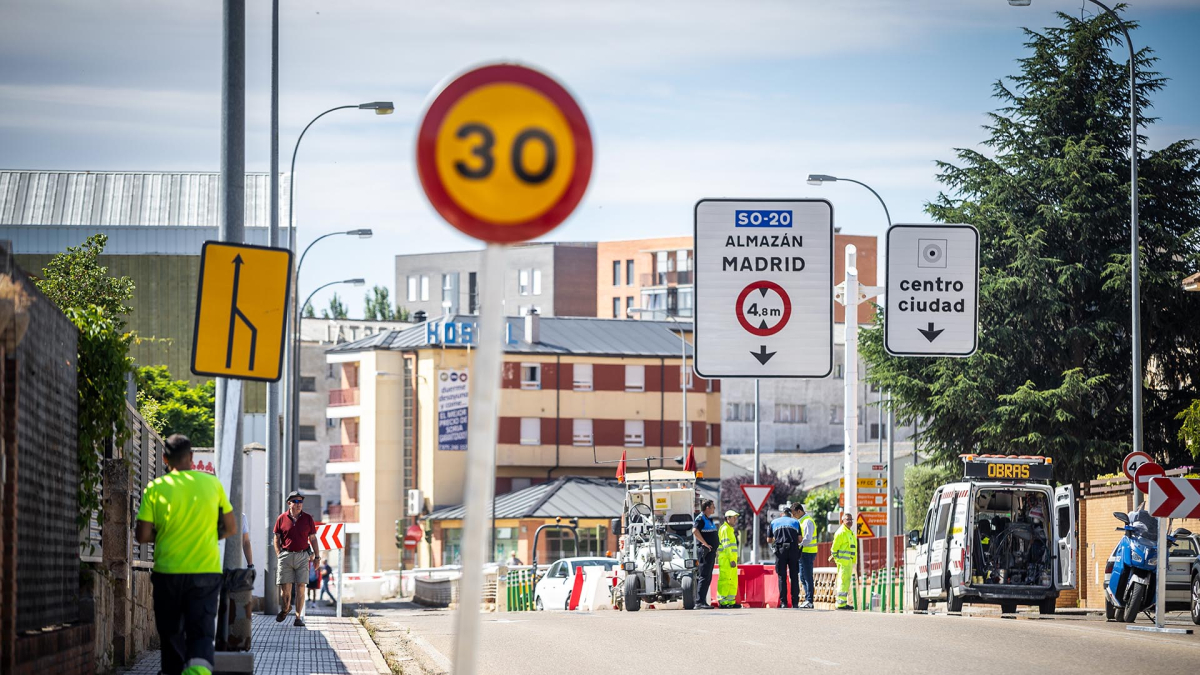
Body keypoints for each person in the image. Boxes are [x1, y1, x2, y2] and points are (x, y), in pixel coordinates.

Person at [135, 434, 235, 675]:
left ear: (165, 459)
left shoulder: (155, 488)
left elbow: (142, 534)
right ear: (191, 456)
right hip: (205, 572)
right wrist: (206, 535)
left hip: (168, 573)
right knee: (201, 633)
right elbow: (231, 527)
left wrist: (167, 534)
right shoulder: (212, 484)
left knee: (171, 634)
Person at [274, 491, 320, 626]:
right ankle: (286, 608)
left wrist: (317, 557)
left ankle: (298, 617)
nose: (299, 504)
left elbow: (313, 538)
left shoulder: (308, 518)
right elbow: (276, 538)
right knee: (285, 591)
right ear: (289, 503)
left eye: (300, 501)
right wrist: (279, 554)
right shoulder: (281, 518)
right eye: (296, 501)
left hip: (302, 556)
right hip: (286, 556)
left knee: (301, 587)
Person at [767, 503, 801, 608]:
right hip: (793, 550)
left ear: (782, 514)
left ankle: (783, 603)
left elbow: (768, 540)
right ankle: (795, 603)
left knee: (782, 577)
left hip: (780, 551)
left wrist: (777, 539)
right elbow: (800, 539)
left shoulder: (773, 522)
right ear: (790, 514)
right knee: (794, 577)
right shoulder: (796, 522)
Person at [692, 499, 719, 609]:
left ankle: (703, 601)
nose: (714, 509)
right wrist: (705, 543)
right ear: (707, 508)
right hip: (705, 551)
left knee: (708, 577)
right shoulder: (701, 518)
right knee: (703, 576)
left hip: (711, 552)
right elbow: (694, 531)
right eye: (713, 507)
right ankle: (699, 602)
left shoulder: (709, 519)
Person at [831, 512, 858, 610]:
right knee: (843, 582)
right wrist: (837, 559)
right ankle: (840, 604)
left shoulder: (849, 532)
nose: (850, 521)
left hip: (848, 562)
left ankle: (843, 602)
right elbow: (834, 548)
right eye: (847, 519)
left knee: (845, 582)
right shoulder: (841, 532)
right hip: (843, 562)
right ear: (842, 521)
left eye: (851, 519)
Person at [716, 509, 741, 608]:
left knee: (732, 581)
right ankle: (723, 601)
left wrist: (735, 558)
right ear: (728, 518)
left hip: (731, 560)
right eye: (733, 518)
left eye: (735, 518)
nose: (735, 520)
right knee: (725, 580)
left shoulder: (729, 529)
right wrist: (731, 559)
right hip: (726, 560)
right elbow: (726, 546)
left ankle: (730, 601)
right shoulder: (725, 529)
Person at [795, 501, 818, 609]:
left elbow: (808, 539)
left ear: (799, 511)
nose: (793, 516)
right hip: (804, 552)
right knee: (803, 577)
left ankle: (809, 600)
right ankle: (807, 599)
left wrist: (798, 545)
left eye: (794, 514)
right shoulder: (802, 521)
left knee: (807, 577)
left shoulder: (807, 521)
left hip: (808, 552)